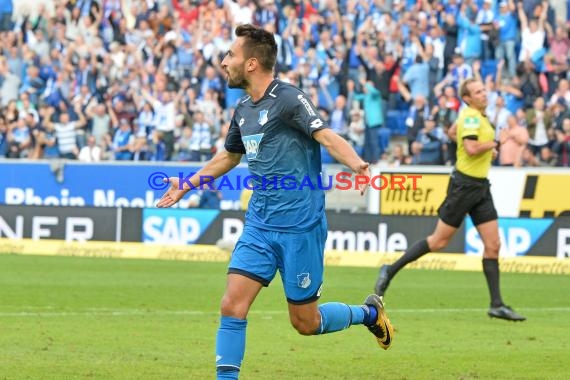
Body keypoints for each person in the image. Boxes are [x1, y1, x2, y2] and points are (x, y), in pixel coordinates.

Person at [157, 24, 394, 380]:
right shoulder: (242, 110)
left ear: (251, 64)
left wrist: (357, 164)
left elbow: (325, 135)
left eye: (230, 56)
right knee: (231, 306)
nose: (224, 62)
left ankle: (369, 314)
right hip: (260, 226)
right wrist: (187, 186)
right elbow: (228, 157)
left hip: (300, 228)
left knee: (306, 322)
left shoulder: (288, 99)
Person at [374, 78, 526, 322]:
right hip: (464, 186)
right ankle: (389, 270)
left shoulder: (476, 115)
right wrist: (496, 142)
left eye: (484, 89)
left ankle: (496, 304)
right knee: (438, 241)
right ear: (467, 98)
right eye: (478, 91)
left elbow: (452, 132)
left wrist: (488, 146)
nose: (484, 93)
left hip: (480, 187)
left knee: (493, 244)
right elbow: (472, 148)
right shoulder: (473, 116)